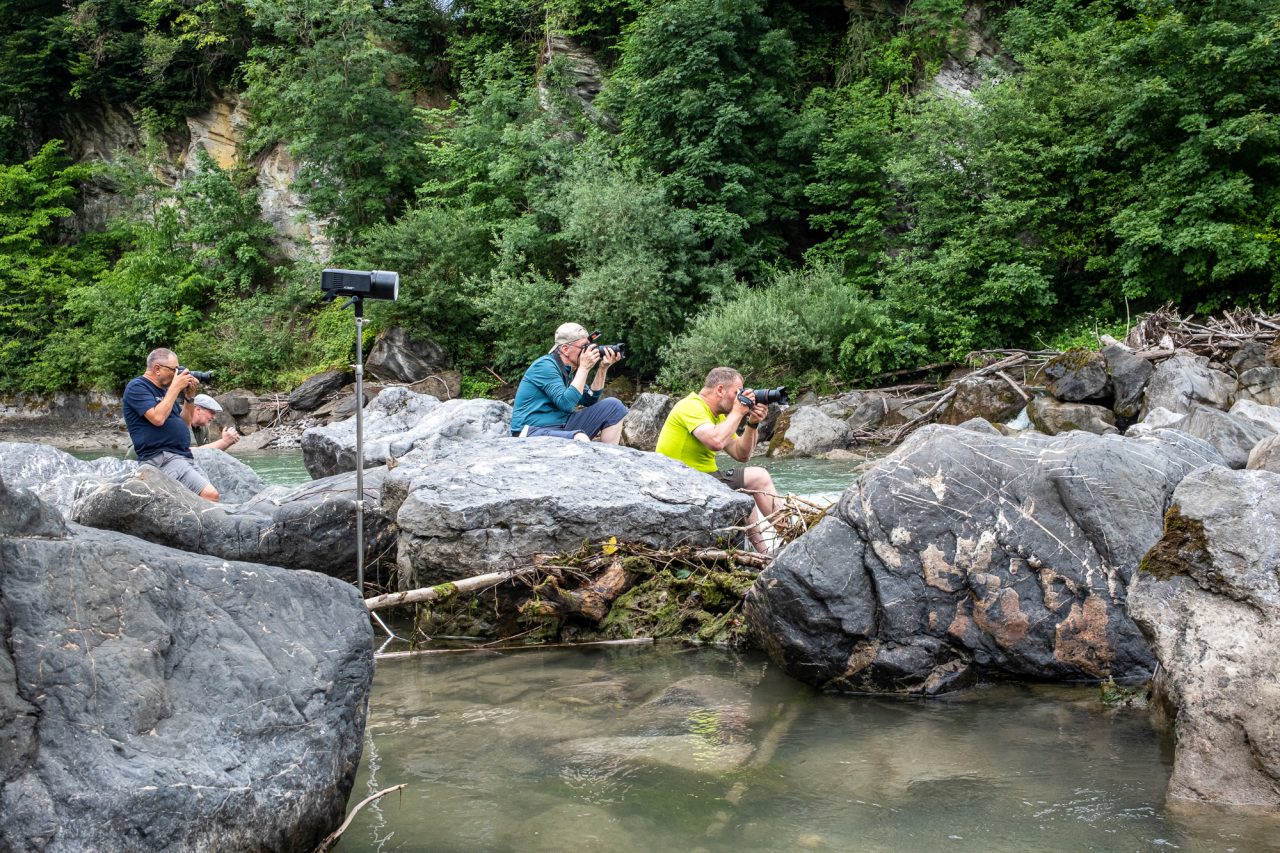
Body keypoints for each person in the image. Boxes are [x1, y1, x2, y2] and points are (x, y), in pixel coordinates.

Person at [655, 366, 782, 552]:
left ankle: (764, 554)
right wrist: (738, 412)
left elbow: (742, 455)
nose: (740, 397)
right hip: (679, 480)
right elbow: (715, 441)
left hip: (701, 477)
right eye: (737, 392)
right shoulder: (691, 406)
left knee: (745, 488)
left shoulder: (719, 416)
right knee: (759, 477)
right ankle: (793, 535)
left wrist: (752, 423)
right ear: (720, 390)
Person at [122, 348, 221, 502]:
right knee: (210, 495)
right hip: (161, 457)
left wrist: (189, 397)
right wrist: (175, 387)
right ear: (157, 369)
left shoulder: (165, 391)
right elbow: (157, 418)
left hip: (181, 456)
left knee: (207, 498)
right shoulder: (137, 387)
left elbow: (184, 423)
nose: (177, 374)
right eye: (174, 369)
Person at [510, 322, 628, 443]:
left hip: (562, 425)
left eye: (589, 346)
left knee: (614, 407)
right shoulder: (544, 366)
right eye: (583, 347)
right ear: (565, 349)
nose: (588, 351)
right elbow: (566, 404)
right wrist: (584, 368)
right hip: (532, 430)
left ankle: (610, 458)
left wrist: (603, 368)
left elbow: (589, 399)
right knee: (579, 438)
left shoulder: (569, 370)